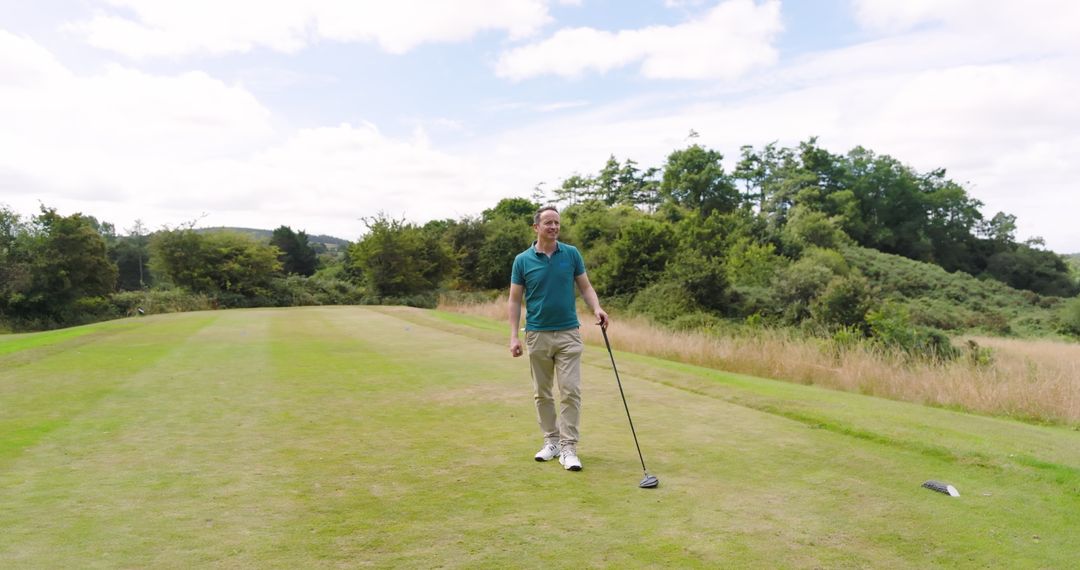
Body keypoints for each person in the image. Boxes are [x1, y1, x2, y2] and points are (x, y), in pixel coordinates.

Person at [508, 205, 608, 472]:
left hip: (568, 333)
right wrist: (513, 337)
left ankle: (569, 448)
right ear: (536, 227)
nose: (553, 227)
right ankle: (551, 441)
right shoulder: (522, 260)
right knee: (542, 393)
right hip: (536, 334)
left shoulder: (571, 254)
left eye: (557, 223)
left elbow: (585, 287)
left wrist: (596, 308)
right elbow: (515, 300)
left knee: (570, 391)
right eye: (548, 223)